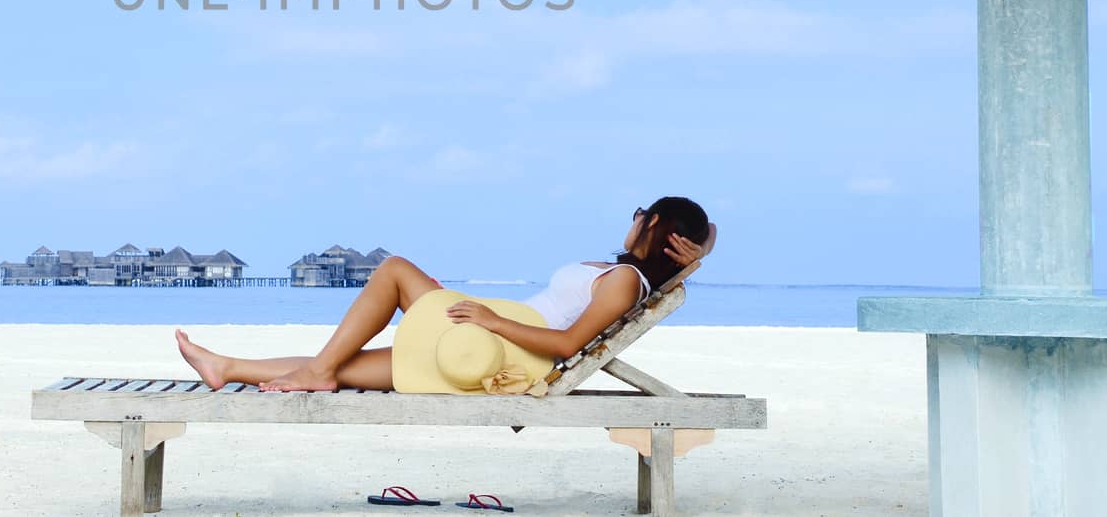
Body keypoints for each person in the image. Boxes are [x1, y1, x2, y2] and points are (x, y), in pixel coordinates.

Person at [176, 196, 714, 393]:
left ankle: (297, 371)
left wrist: (491, 321)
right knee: (340, 364)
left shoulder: (624, 281)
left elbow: (569, 340)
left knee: (392, 270)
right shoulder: (623, 273)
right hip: (493, 338)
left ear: (656, 224)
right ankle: (227, 366)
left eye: (641, 214)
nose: (634, 218)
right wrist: (703, 250)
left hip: (503, 345)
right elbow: (701, 238)